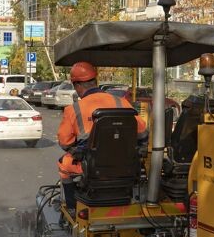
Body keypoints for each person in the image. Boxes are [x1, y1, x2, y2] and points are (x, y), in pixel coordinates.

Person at [56, 61, 148, 214]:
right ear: (95, 80)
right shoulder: (122, 102)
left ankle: (72, 208)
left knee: (64, 164)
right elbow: (143, 133)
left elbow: (65, 142)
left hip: (93, 168)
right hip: (126, 166)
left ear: (77, 85)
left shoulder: (74, 109)